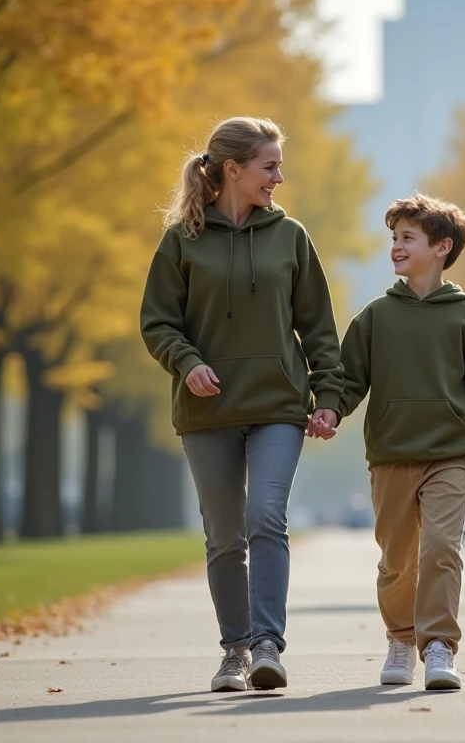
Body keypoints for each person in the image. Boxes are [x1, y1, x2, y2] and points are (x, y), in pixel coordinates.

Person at [140, 117, 341, 692]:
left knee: (265, 518)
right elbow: (157, 322)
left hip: (279, 404)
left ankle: (267, 646)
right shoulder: (182, 240)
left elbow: (319, 329)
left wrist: (328, 397)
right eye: (269, 166)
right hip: (207, 410)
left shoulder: (291, 237)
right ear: (234, 169)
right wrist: (187, 362)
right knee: (225, 536)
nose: (280, 176)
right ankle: (233, 649)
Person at [320, 192, 465, 691]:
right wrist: (329, 409)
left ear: (441, 247)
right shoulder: (375, 317)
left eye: (408, 238)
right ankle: (401, 639)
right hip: (390, 454)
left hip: (449, 454)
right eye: (394, 238)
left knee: (442, 550)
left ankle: (438, 647)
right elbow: (348, 380)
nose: (396, 247)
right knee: (397, 558)